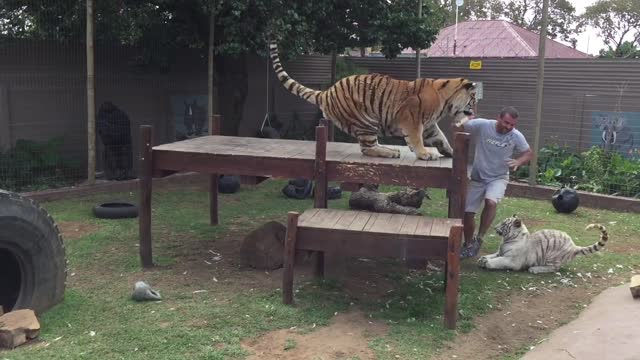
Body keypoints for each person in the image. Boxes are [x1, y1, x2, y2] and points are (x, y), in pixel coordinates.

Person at [454, 106, 534, 258]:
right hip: (478, 177)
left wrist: (518, 161)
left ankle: (480, 239)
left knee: (491, 202)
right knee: (468, 213)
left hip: (498, 177)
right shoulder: (483, 125)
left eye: (512, 124)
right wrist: (466, 118)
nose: (509, 127)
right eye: (506, 123)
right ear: (499, 118)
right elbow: (456, 126)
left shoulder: (516, 135)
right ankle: (469, 244)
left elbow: (529, 153)